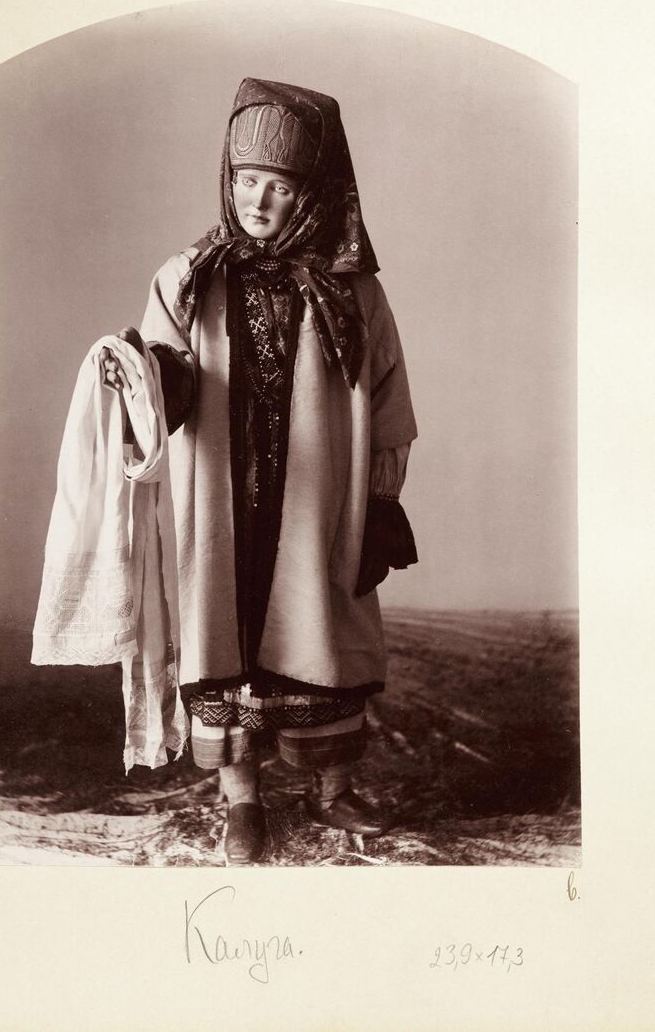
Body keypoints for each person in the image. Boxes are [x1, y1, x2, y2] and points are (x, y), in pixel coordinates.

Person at [101, 78, 418, 865]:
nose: (258, 201)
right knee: (225, 639)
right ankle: (242, 801)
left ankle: (332, 787)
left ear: (314, 192)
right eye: (246, 180)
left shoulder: (353, 291)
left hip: (320, 503)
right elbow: (170, 381)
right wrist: (140, 375)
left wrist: (380, 499)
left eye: (279, 186)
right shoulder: (189, 278)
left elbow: (386, 393)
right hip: (225, 502)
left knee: (324, 629)